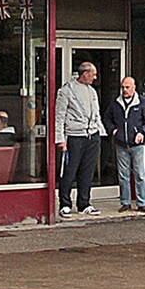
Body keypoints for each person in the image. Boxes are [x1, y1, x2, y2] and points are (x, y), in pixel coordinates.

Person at [55, 61, 106, 216]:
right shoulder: (66, 91)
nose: (95, 77)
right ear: (85, 73)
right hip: (74, 136)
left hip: (92, 135)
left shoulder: (92, 92)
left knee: (87, 171)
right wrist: (60, 139)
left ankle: (84, 203)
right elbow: (59, 116)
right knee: (70, 170)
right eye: (93, 74)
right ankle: (65, 203)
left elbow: (96, 113)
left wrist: (100, 132)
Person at [107, 76, 145, 215]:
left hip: (138, 144)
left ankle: (142, 203)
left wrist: (142, 133)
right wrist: (113, 131)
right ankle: (125, 202)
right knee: (123, 175)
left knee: (140, 174)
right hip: (121, 143)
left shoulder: (143, 103)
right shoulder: (116, 104)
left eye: (127, 87)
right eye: (122, 87)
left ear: (134, 87)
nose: (124, 90)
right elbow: (107, 119)